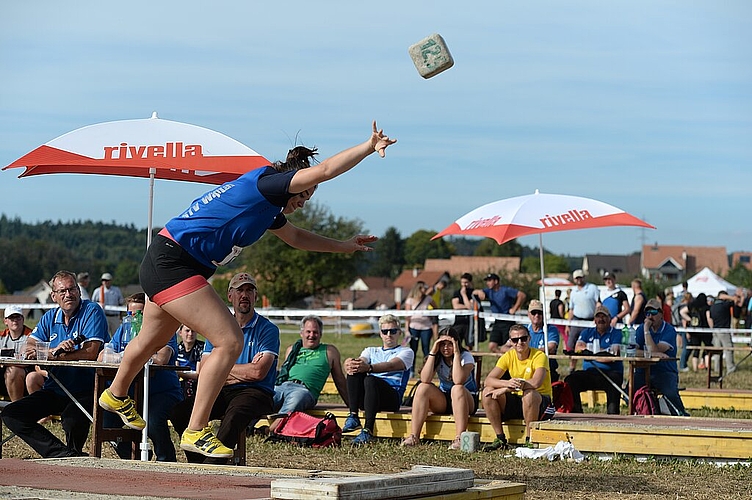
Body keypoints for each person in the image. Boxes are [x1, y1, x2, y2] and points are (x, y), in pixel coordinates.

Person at [100, 121, 395, 458]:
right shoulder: (268, 184)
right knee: (230, 340)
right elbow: (326, 169)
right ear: (292, 183)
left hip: (170, 260)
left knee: (151, 338)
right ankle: (195, 431)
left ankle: (116, 393)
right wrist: (368, 147)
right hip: (174, 263)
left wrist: (344, 246)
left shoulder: (267, 209)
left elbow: (297, 237)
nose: (304, 203)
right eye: (304, 195)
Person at [170, 272, 279, 463]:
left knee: (235, 414)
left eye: (249, 290)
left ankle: (212, 466)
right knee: (180, 412)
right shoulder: (218, 326)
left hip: (256, 392)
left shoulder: (268, 329)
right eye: (239, 290)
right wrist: (241, 370)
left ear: (255, 296)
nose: (244, 295)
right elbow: (205, 369)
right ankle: (199, 463)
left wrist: (220, 368)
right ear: (230, 296)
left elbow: (258, 372)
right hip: (223, 388)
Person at [1, 270, 108, 457]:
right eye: (63, 291)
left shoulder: (92, 311)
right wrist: (52, 351)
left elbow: (91, 352)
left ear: (79, 291)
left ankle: (71, 455)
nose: (69, 294)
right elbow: (30, 344)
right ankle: (61, 454)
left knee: (71, 419)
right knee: (11, 413)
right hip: (55, 388)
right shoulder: (50, 317)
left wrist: (54, 356)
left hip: (88, 388)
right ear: (54, 296)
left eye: (72, 289)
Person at [99, 293, 182, 462]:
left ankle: (166, 459)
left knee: (152, 420)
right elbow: (103, 356)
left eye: (141, 313)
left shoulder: (163, 329)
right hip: (130, 395)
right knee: (105, 420)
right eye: (131, 314)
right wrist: (123, 356)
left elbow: (162, 357)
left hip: (162, 392)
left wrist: (132, 356)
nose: (135, 318)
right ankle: (133, 456)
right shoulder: (124, 329)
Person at [401, 327, 478, 450]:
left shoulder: (466, 356)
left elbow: (458, 380)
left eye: (450, 344)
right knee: (422, 387)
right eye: (442, 344)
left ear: (456, 343)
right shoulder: (438, 356)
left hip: (466, 400)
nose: (446, 348)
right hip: (445, 399)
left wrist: (457, 353)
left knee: (456, 388)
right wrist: (433, 351)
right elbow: (425, 379)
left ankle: (459, 438)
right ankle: (414, 436)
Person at [342, 313, 413, 445]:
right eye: (385, 331)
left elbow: (392, 365)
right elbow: (360, 361)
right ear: (380, 333)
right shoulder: (370, 350)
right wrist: (350, 363)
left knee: (370, 379)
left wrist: (369, 368)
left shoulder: (406, 351)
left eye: (393, 331)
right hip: (369, 396)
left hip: (391, 397)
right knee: (354, 370)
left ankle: (368, 430)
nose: (389, 335)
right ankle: (353, 416)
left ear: (399, 333)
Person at [482, 324, 554, 450]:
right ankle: (500, 438)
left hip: (541, 402)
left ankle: (529, 439)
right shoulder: (508, 356)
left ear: (529, 338)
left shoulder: (539, 356)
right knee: (487, 392)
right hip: (519, 399)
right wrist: (506, 383)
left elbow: (536, 383)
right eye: (515, 340)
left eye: (523, 338)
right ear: (510, 342)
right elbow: (488, 380)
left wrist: (506, 388)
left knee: (529, 395)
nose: (519, 342)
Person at [273, 315, 348, 414]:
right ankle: (250, 427)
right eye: (308, 332)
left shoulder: (329, 351)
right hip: (282, 386)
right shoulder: (292, 350)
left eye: (315, 332)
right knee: (260, 399)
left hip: (304, 390)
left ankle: (271, 429)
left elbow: (339, 380)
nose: (311, 335)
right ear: (301, 333)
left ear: (321, 334)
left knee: (294, 402)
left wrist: (352, 406)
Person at [564, 305, 624, 414]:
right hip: (590, 373)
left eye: (604, 317)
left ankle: (613, 418)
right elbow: (578, 348)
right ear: (594, 320)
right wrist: (602, 352)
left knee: (614, 383)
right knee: (571, 380)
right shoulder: (587, 332)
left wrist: (590, 353)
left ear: (610, 319)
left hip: (611, 373)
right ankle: (576, 414)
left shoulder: (617, 333)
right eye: (598, 316)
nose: (601, 319)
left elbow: (613, 355)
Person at [635, 298, 688, 416]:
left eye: (653, 313)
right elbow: (631, 351)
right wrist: (649, 353)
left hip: (664, 371)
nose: (649, 317)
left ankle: (681, 413)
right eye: (647, 313)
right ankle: (640, 412)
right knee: (628, 391)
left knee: (670, 392)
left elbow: (654, 349)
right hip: (643, 371)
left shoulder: (669, 330)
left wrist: (646, 332)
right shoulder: (640, 329)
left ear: (661, 314)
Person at [498, 300, 560, 382]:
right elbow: (504, 347)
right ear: (529, 315)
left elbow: (551, 348)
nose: (537, 315)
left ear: (543, 314)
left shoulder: (551, 330)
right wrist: (513, 350)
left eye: (539, 313)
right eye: (534, 313)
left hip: (545, 369)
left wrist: (525, 351)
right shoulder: (523, 330)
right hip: (521, 370)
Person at [473, 273, 526, 353]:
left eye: (490, 280)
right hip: (497, 322)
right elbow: (474, 292)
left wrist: (514, 308)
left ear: (496, 281)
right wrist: (479, 292)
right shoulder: (489, 291)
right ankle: (503, 360)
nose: (487, 283)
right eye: (487, 281)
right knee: (492, 346)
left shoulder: (505, 290)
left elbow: (522, 295)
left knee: (508, 346)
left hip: (508, 322)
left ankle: (511, 361)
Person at [403, 281, 438, 376]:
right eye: (423, 288)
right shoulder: (410, 300)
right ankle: (411, 371)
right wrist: (406, 330)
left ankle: (427, 370)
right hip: (414, 327)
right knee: (413, 349)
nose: (425, 290)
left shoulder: (428, 299)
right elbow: (407, 316)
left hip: (426, 327)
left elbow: (436, 308)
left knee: (426, 349)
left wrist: (431, 316)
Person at [566, 269, 599, 368]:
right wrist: (568, 324)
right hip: (576, 320)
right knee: (572, 346)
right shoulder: (573, 292)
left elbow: (598, 303)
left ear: (584, 277)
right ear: (574, 279)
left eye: (580, 277)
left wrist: (596, 317)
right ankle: (572, 367)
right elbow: (571, 309)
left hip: (589, 321)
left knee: (589, 346)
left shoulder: (592, 288)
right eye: (577, 278)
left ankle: (590, 367)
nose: (579, 279)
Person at [0, 305, 33, 401]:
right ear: (5, 321)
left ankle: (16, 407)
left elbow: (25, 362)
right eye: (11, 317)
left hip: (27, 372)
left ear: (23, 319)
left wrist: (6, 360)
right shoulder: (1, 336)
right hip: (5, 374)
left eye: (18, 317)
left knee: (14, 370)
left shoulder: (32, 336)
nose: (15, 320)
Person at [451, 273, 484, 347]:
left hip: (470, 322)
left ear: (470, 282)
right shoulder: (457, 293)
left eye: (466, 282)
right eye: (462, 282)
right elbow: (455, 306)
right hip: (459, 321)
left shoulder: (473, 293)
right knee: (455, 342)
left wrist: (464, 295)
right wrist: (466, 305)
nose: (464, 284)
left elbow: (470, 307)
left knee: (469, 344)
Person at [682, 293, 712, 371]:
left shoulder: (692, 306)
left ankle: (695, 369)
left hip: (694, 330)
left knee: (696, 349)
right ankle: (707, 367)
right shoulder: (706, 307)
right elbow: (708, 317)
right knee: (707, 348)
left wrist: (689, 319)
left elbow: (682, 312)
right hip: (705, 331)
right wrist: (712, 328)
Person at [708, 291, 737, 375]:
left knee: (717, 350)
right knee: (729, 349)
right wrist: (730, 297)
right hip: (724, 330)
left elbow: (711, 319)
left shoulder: (712, 307)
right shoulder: (724, 305)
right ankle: (730, 368)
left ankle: (717, 368)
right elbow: (734, 300)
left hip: (715, 330)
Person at [176, 324, 204, 401]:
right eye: (187, 331)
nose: (190, 334)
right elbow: (176, 370)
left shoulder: (201, 348)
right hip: (181, 381)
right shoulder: (177, 349)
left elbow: (198, 375)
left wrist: (181, 374)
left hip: (195, 383)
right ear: (180, 333)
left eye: (193, 331)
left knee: (189, 385)